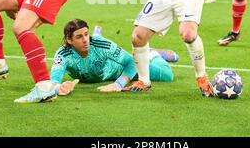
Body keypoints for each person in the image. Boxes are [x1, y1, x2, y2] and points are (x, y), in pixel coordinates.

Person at [50, 20, 178, 95]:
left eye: (86, 35)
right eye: (79, 37)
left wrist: (119, 83)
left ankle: (152, 54)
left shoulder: (101, 44)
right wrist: (58, 88)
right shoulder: (63, 54)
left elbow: (131, 62)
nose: (85, 40)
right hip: (103, 75)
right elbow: (54, 79)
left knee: (167, 75)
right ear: (69, 39)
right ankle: (146, 53)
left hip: (121, 70)